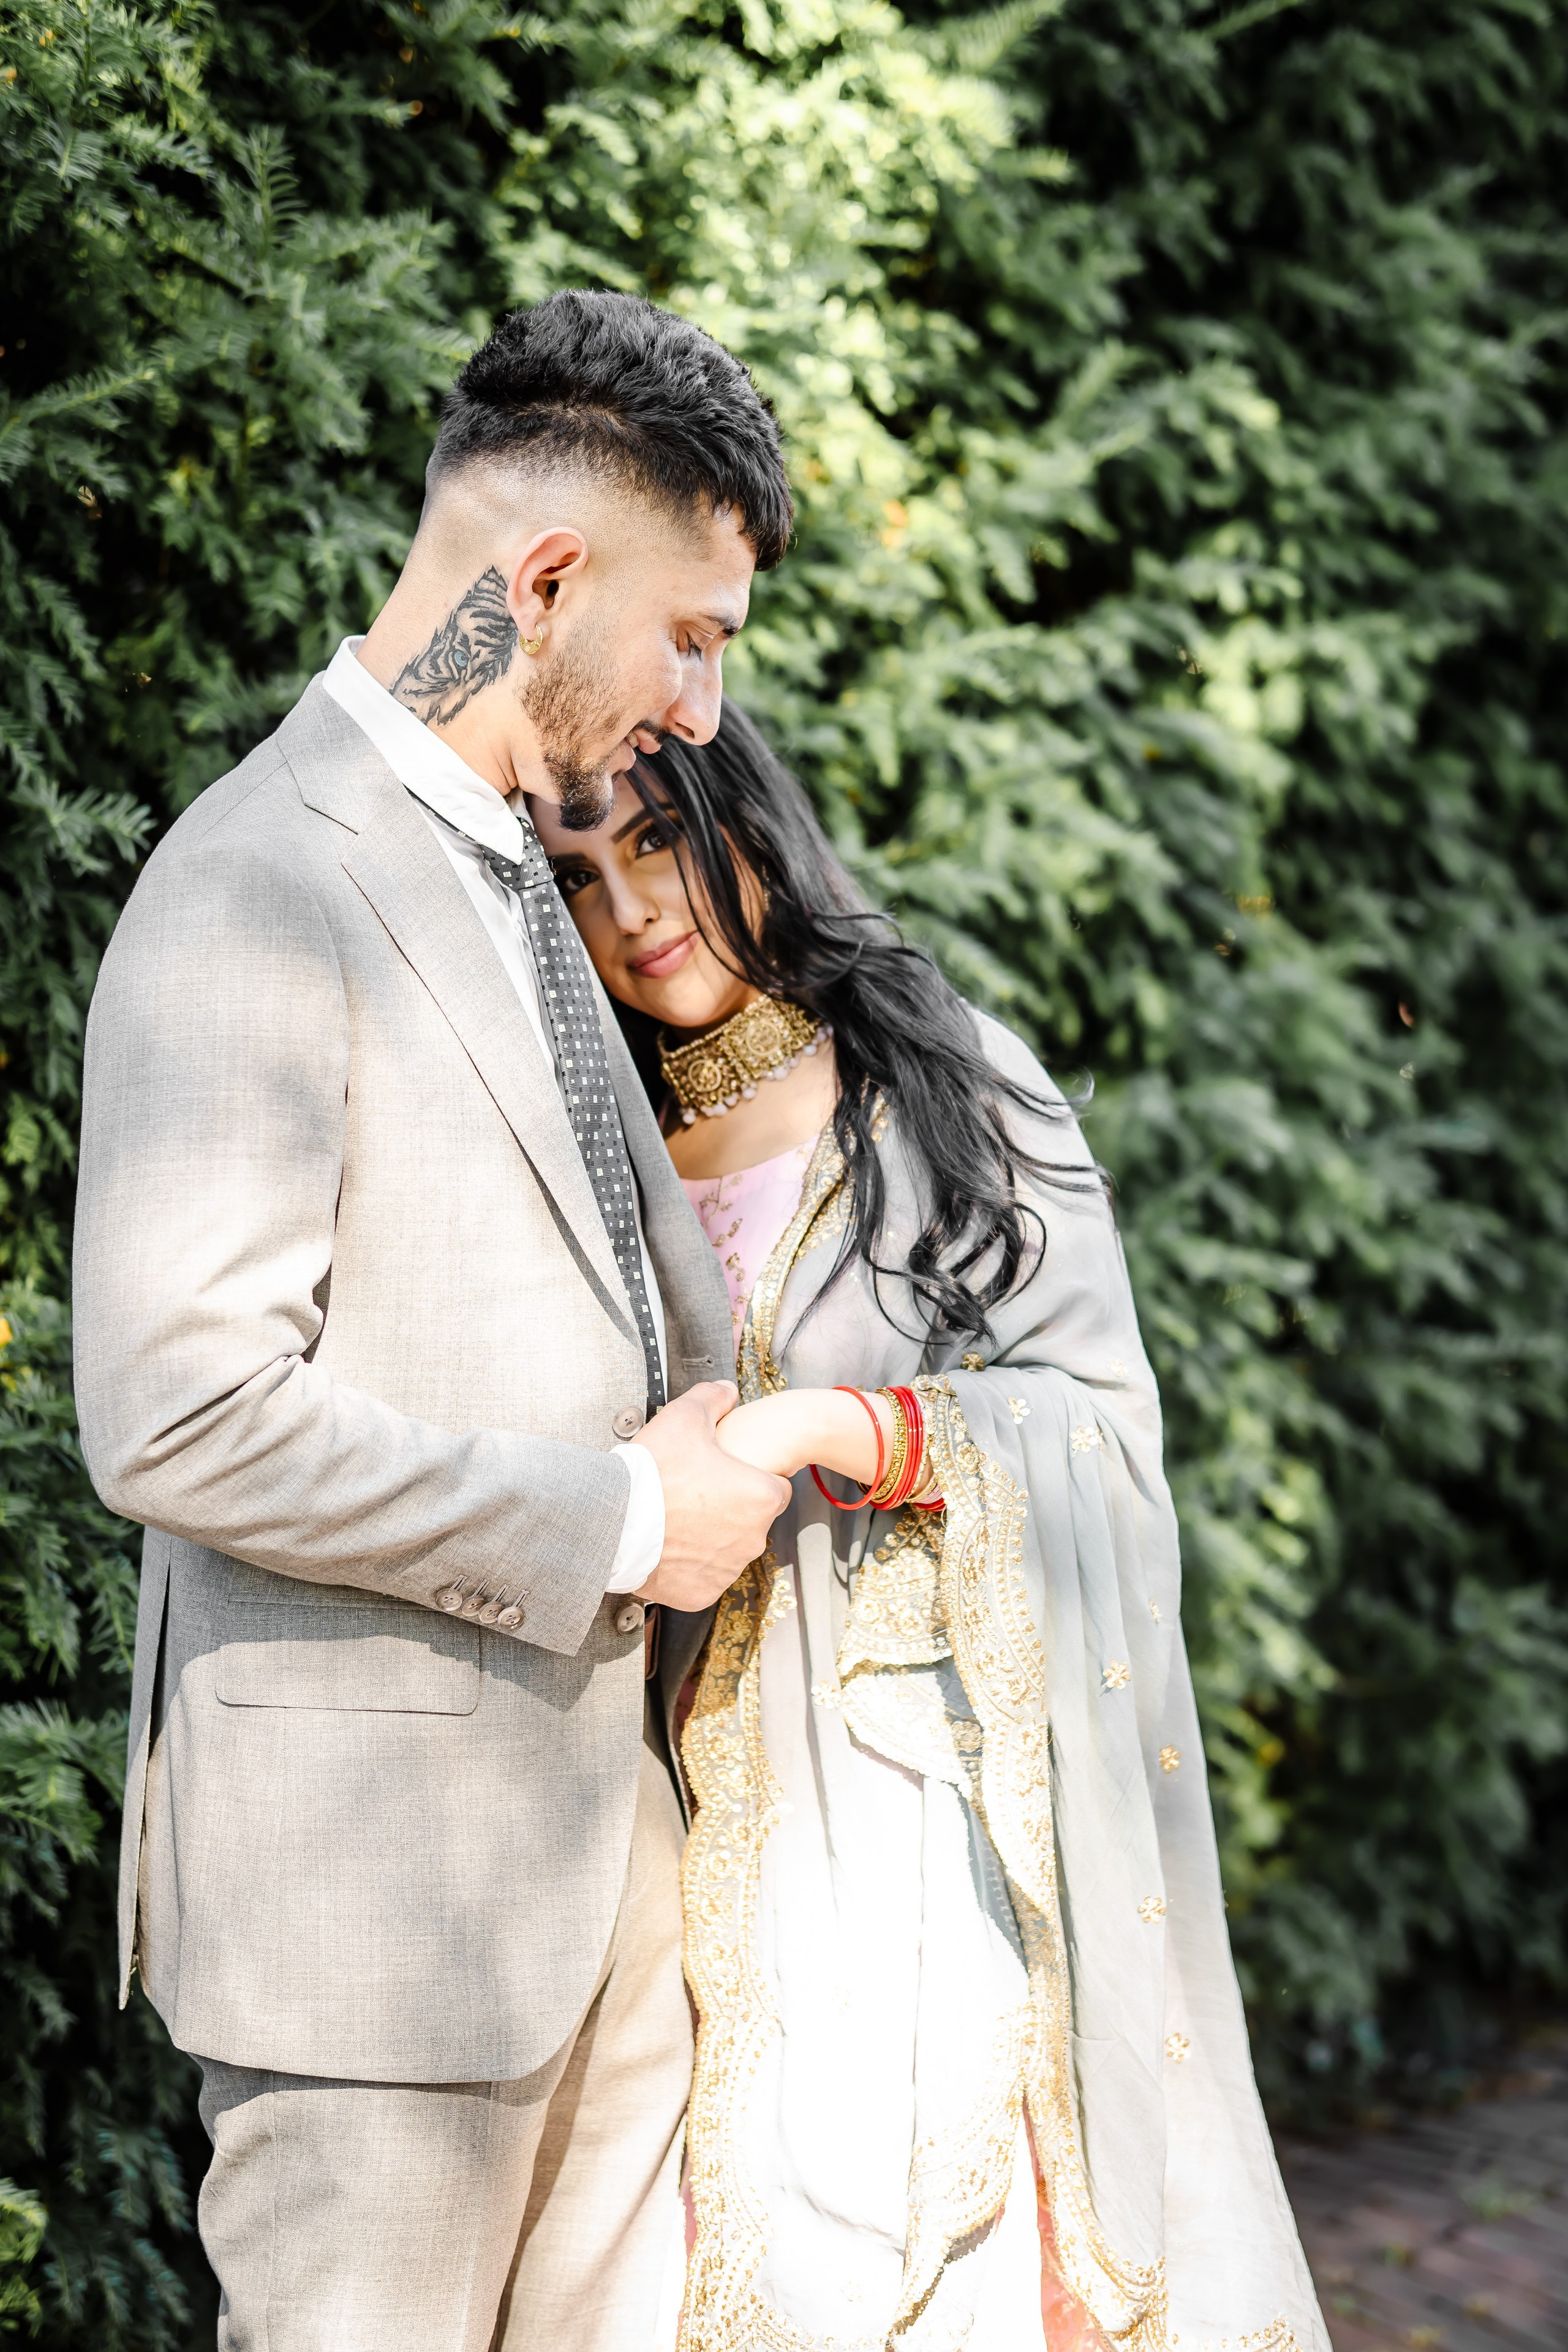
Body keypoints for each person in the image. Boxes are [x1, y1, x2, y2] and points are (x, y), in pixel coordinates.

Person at [70, 292, 797, 2352]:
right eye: (695, 633)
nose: (708, 707)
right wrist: (616, 1523)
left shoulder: (510, 864)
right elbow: (179, 1417)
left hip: (601, 1886)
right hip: (374, 1937)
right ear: (546, 577)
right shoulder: (256, 888)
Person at [533, 702, 1332, 2352]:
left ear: (746, 819)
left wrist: (849, 1430)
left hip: (917, 1812)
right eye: (583, 876)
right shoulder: (588, 1157)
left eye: (660, 839)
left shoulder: (945, 1084)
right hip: (645, 1828)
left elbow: (1105, 1431)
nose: (635, 910)